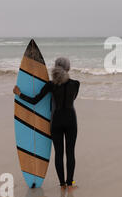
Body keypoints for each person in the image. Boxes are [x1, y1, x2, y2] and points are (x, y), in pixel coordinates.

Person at [13, 57, 80, 189]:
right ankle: (70, 184)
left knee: (59, 154)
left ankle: (62, 185)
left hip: (56, 122)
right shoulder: (76, 84)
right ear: (68, 68)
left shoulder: (50, 85)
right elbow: (73, 98)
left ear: (55, 67)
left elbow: (34, 101)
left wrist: (19, 94)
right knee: (70, 153)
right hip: (71, 120)